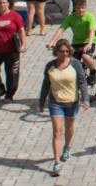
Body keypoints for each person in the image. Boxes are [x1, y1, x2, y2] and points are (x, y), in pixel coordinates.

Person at [39, 39, 89, 177]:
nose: (65, 54)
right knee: (57, 130)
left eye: (67, 51)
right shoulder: (50, 66)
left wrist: (86, 99)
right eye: (62, 51)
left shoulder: (76, 64)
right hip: (55, 102)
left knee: (69, 127)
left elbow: (82, 82)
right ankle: (56, 162)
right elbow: (46, 84)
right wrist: (41, 102)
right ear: (56, 51)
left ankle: (67, 147)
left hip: (72, 102)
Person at [47, 0, 96, 82]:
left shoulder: (90, 17)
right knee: (71, 60)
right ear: (75, 8)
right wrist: (52, 41)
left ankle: (93, 72)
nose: (81, 10)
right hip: (77, 41)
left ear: (86, 7)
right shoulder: (71, 18)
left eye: (83, 8)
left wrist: (89, 44)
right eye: (78, 8)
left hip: (89, 40)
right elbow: (61, 29)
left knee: (85, 56)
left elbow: (92, 31)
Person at [0, 0, 26, 101]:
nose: (2, 5)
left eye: (4, 3)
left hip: (11, 50)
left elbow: (21, 30)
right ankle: (0, 89)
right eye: (0, 3)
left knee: (11, 74)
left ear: (9, 3)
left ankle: (9, 94)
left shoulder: (15, 16)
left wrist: (23, 45)